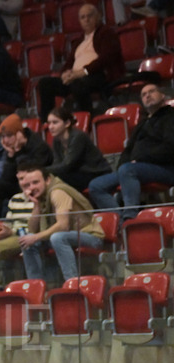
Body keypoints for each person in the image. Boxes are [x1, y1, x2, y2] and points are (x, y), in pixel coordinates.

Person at [88, 84, 174, 220]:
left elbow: (170, 148)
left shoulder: (170, 117)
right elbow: (128, 150)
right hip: (136, 167)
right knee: (96, 185)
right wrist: (123, 165)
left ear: (163, 95)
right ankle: (120, 219)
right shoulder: (143, 122)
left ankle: (131, 217)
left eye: (152, 91)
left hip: (165, 168)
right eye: (144, 94)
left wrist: (140, 159)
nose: (147, 95)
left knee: (128, 170)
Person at [36, 4, 124, 122]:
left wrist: (83, 72)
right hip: (76, 77)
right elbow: (69, 62)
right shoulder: (79, 41)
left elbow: (106, 58)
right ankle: (48, 123)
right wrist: (65, 74)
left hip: (98, 74)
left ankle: (86, 120)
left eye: (89, 16)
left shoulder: (107, 33)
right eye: (83, 17)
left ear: (97, 16)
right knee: (45, 83)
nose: (86, 19)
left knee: (78, 84)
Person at [16, 165, 98, 282]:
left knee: (58, 237)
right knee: (28, 242)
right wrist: (37, 206)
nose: (32, 187)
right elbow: (32, 229)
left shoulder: (57, 192)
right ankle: (36, 287)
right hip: (68, 236)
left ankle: (72, 283)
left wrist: (35, 237)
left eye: (35, 182)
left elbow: (63, 226)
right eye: (27, 185)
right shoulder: (42, 197)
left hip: (90, 235)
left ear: (48, 180)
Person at [43, 107, 110, 192]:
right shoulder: (57, 140)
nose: (50, 127)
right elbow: (57, 163)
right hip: (78, 173)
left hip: (95, 172)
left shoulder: (78, 137)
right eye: (49, 123)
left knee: (58, 181)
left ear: (67, 123)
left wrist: (41, 170)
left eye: (55, 123)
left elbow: (68, 164)